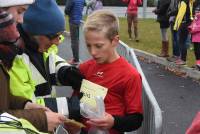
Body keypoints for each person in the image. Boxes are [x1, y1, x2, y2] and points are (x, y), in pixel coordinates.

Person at [6, 0, 84, 121]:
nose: (58, 42)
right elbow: (28, 105)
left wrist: (65, 72)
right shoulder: (13, 60)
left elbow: (50, 62)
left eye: (60, 35)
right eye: (54, 36)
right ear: (35, 32)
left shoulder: (41, 46)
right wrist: (74, 106)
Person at [0, 0, 66, 132]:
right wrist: (41, 118)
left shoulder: (7, 50)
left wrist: (25, 105)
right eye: (20, 11)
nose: (21, 20)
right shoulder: (13, 55)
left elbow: (4, 98)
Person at [79, 10, 143, 134]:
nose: (92, 52)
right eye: (88, 45)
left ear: (115, 41)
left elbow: (136, 119)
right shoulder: (84, 68)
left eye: (98, 46)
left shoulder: (130, 75)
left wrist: (113, 122)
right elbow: (77, 103)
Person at [173, 0, 195, 65]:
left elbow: (180, 15)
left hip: (184, 24)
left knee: (181, 42)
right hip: (188, 23)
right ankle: (182, 58)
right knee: (182, 41)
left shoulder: (183, 2)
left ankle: (183, 59)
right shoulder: (189, 1)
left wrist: (176, 26)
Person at [65, 0, 84, 64]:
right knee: (76, 40)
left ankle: (76, 60)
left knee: (74, 41)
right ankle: (76, 58)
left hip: (73, 21)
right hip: (79, 20)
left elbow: (66, 10)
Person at [188, 4, 200, 70]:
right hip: (195, 37)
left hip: (198, 38)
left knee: (198, 51)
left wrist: (192, 30)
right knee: (196, 51)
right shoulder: (195, 18)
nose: (197, 13)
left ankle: (199, 64)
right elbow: (192, 24)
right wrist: (190, 27)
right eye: (196, 11)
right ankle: (197, 64)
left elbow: (198, 27)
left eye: (198, 11)